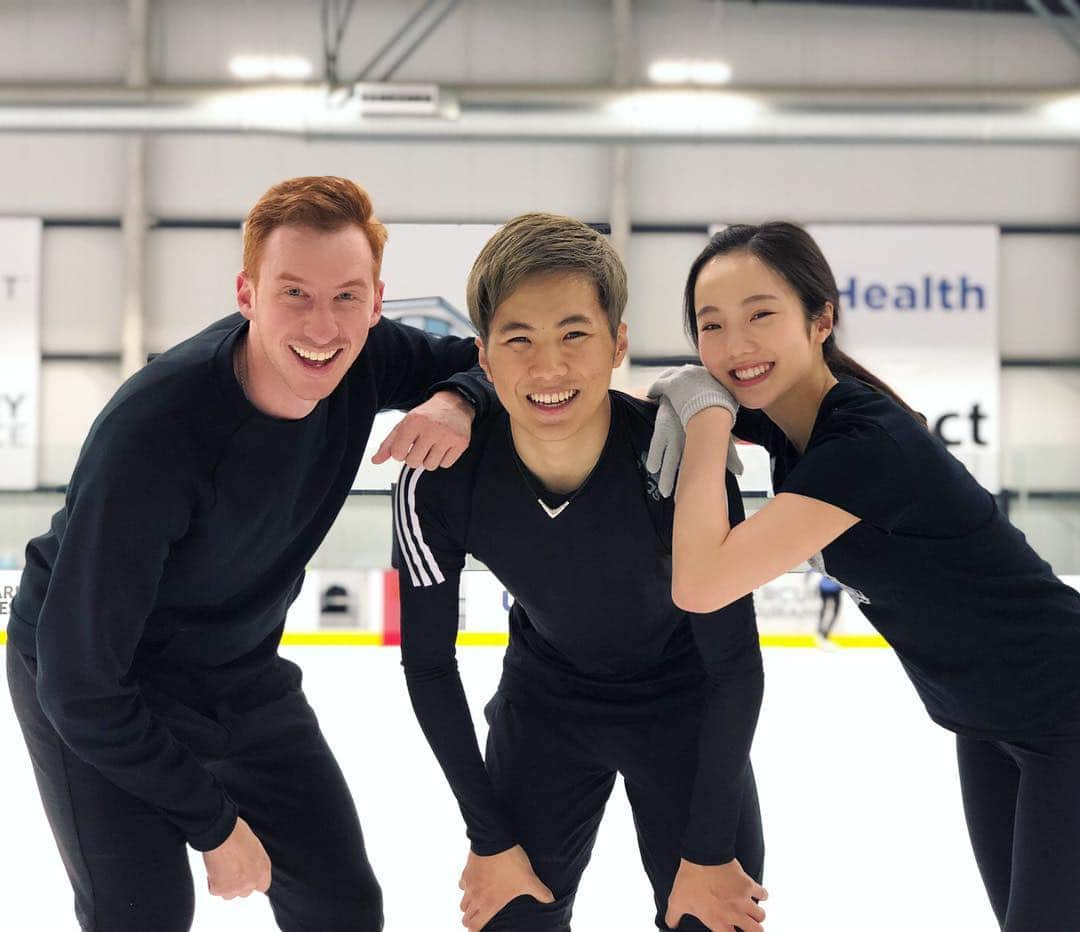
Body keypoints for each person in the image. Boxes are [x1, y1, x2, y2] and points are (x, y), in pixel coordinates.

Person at [5, 175, 492, 932]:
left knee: (343, 906)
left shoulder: (365, 357)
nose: (323, 327)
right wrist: (215, 826)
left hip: (238, 673)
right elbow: (80, 683)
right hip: (96, 678)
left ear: (375, 299)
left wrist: (457, 397)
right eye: (294, 293)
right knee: (143, 915)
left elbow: (497, 359)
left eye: (346, 297)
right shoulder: (155, 434)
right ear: (247, 295)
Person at [646, 221, 1080, 932]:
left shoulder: (862, 443)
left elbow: (702, 584)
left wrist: (702, 413)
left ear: (821, 318)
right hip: (991, 725)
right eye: (710, 326)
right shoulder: (796, 426)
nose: (734, 347)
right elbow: (630, 410)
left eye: (761, 315)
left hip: (1066, 713)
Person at [394, 213, 767, 932]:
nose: (548, 369)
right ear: (484, 355)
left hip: (685, 706)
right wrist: (489, 839)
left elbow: (735, 670)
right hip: (548, 705)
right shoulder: (439, 480)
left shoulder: (680, 463)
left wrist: (712, 850)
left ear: (618, 344)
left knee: (713, 920)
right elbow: (429, 667)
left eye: (575, 335)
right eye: (519, 340)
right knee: (511, 918)